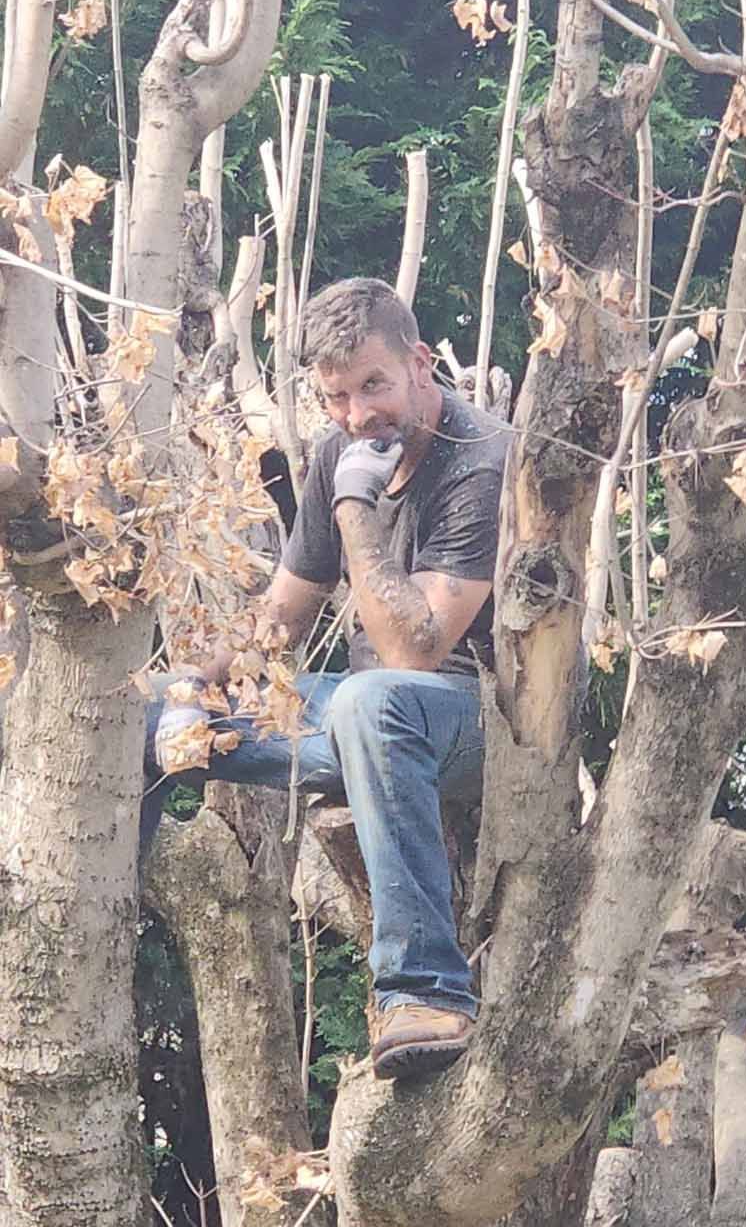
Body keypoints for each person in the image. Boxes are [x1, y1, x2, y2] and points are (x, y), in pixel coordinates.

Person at [144, 277, 509, 1081]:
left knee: (375, 699)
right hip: (361, 717)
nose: (356, 416)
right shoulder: (341, 451)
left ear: (419, 363)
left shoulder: (481, 459)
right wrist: (185, 688)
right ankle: (91, 941)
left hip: (484, 719)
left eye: (373, 385)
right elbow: (281, 614)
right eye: (336, 397)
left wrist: (355, 510)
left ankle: (424, 990)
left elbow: (417, 649)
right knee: (136, 720)